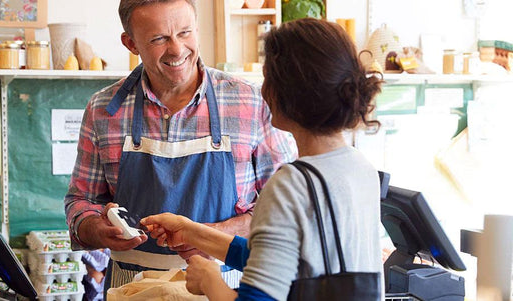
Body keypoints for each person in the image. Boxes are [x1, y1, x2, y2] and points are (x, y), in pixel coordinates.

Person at [141, 17, 384, 300]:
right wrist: (192, 232)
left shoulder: (290, 185)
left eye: (267, 77)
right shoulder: (359, 166)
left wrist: (208, 279)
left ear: (285, 92)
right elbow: (279, 260)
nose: (262, 89)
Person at [64, 0, 297, 288]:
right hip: (132, 288)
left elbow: (288, 207)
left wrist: (209, 237)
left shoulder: (250, 102)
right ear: (131, 43)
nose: (176, 49)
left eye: (185, 33)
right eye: (159, 38)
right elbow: (80, 200)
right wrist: (94, 228)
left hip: (229, 287)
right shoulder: (103, 110)